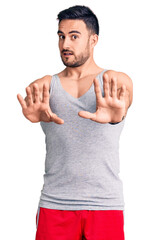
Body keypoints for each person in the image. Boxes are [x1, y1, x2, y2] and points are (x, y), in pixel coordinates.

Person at [17, 5, 133, 240]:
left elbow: (126, 96)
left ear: (93, 39)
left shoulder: (114, 82)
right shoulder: (45, 86)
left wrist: (116, 117)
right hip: (55, 204)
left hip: (105, 205)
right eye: (61, 36)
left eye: (74, 36)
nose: (65, 45)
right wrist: (33, 116)